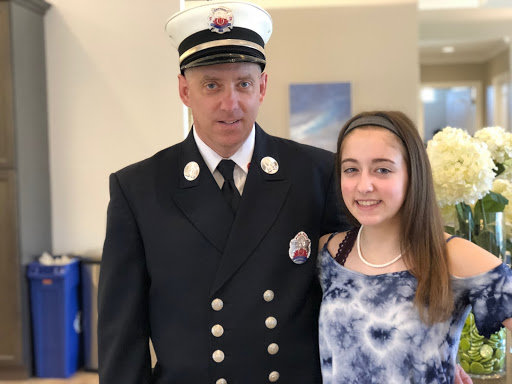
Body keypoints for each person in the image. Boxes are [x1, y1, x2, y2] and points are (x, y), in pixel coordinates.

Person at [97, 2, 348, 383]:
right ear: (184, 90)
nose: (230, 104)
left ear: (262, 87)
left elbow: (355, 297)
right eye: (211, 84)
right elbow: (122, 334)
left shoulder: (318, 173)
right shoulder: (137, 189)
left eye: (243, 84)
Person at [318, 111, 512, 383]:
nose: (364, 185)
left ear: (413, 174)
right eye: (351, 169)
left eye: (382, 169)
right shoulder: (331, 253)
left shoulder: (453, 256)